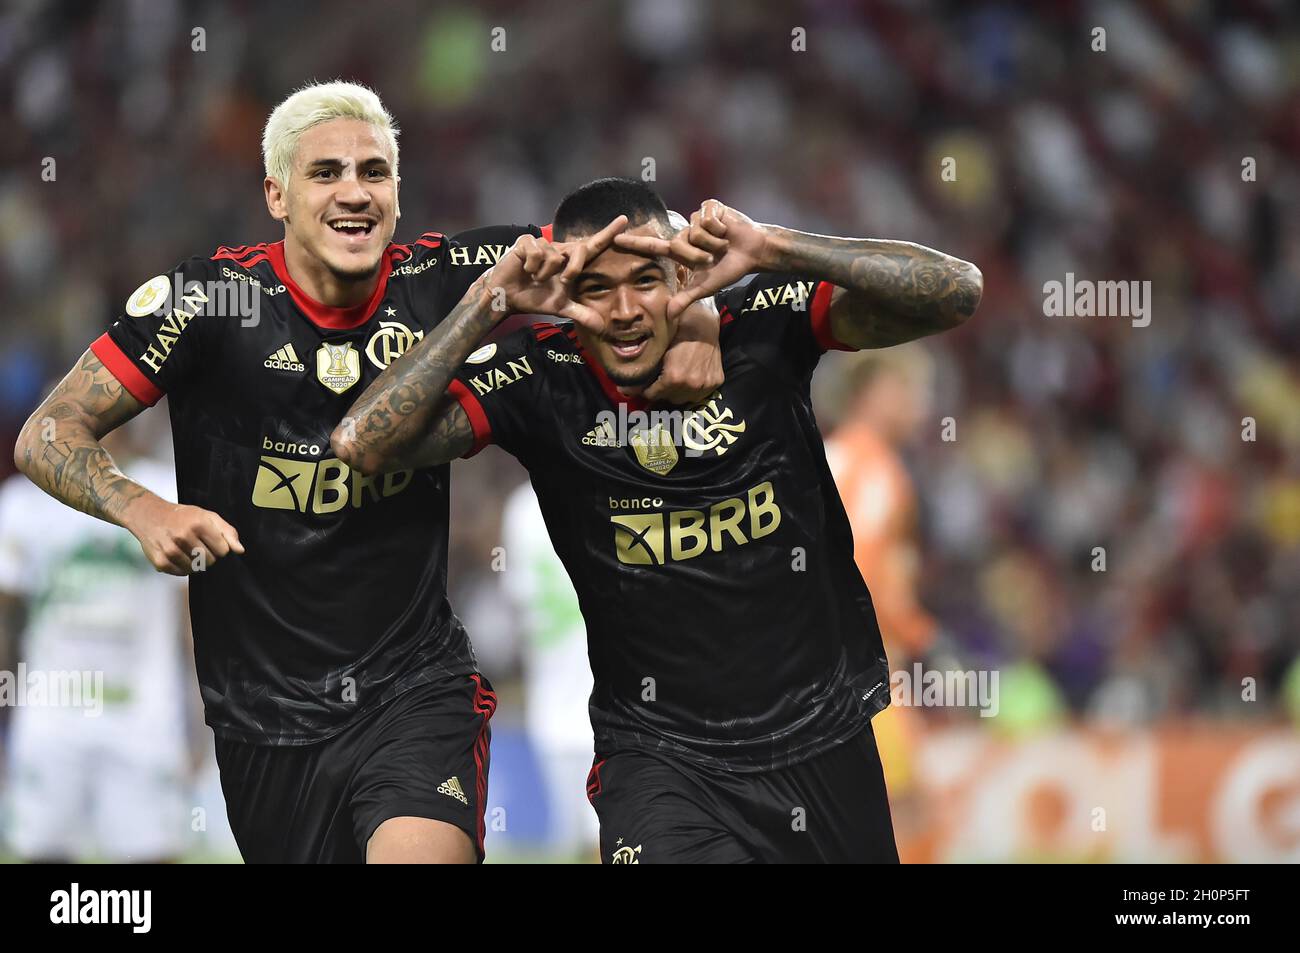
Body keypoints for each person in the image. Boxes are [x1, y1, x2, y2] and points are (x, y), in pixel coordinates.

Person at [11, 84, 719, 864]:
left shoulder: (455, 275)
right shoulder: (207, 300)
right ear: (276, 193)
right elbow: (46, 432)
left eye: (375, 172)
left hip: (413, 693)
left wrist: (697, 316)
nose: (355, 191)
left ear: (397, 192)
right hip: (263, 719)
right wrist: (143, 508)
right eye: (326, 173)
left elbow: (637, 233)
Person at [333, 177, 983, 862]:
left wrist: (774, 246)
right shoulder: (540, 379)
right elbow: (360, 446)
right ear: (563, 294)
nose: (624, 310)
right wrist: (485, 302)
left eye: (646, 279)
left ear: (684, 269)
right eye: (595, 288)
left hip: (820, 738)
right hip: (661, 762)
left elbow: (957, 291)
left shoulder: (760, 324)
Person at [0, 425, 192, 862]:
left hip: (144, 715)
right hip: (50, 716)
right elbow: (4, 623)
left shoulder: (166, 494)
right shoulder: (24, 505)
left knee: (151, 856)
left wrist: (202, 720)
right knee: (43, 852)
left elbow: (191, 623)